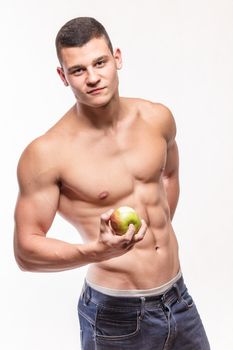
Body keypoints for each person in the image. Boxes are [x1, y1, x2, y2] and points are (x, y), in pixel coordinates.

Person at [14, 17, 210, 350]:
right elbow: (26, 251)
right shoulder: (47, 153)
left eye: (100, 62)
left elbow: (170, 175)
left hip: (179, 298)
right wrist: (95, 251)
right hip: (116, 314)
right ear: (63, 77)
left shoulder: (156, 118)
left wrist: (151, 239)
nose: (92, 78)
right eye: (77, 70)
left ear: (117, 58)